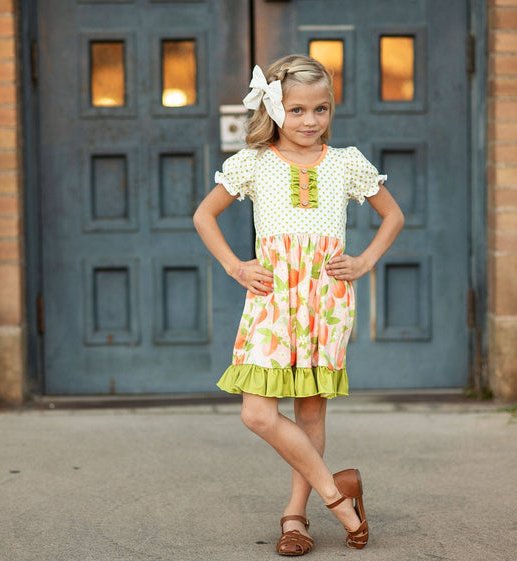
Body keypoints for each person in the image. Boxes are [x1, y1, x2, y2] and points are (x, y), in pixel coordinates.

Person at [193, 54, 404, 556]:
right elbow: (204, 216)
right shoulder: (254, 163)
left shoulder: (347, 162)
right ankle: (338, 495)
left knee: (311, 412)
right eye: (298, 110)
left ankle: (296, 516)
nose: (310, 121)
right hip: (271, 299)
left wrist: (366, 261)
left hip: (324, 301)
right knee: (258, 413)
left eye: (322, 109)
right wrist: (237, 267)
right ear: (274, 109)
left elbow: (393, 216)